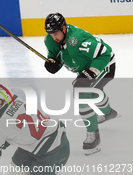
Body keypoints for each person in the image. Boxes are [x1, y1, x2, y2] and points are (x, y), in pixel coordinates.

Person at [43, 13, 119, 156]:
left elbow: (104, 53)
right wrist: (53, 63)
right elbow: (57, 57)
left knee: (82, 93)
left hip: (105, 65)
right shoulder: (50, 40)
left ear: (64, 28)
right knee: (93, 91)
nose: (54, 37)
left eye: (56, 33)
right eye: (51, 34)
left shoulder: (76, 40)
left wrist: (91, 72)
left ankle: (93, 135)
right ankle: (108, 112)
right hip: (85, 68)